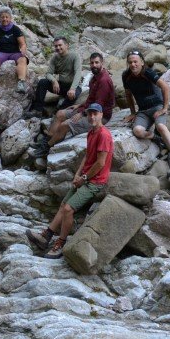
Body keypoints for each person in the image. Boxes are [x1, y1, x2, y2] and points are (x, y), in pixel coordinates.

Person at [27, 103, 112, 259]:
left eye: (95, 114)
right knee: (63, 205)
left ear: (101, 115)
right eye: (89, 114)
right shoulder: (91, 133)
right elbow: (87, 155)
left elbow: (100, 163)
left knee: (68, 209)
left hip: (96, 181)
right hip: (84, 178)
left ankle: (61, 242)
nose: (92, 117)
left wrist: (84, 178)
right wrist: (77, 174)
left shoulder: (103, 135)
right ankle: (46, 236)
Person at [39, 52, 115, 154]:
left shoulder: (104, 81)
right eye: (92, 63)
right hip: (88, 109)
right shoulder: (94, 78)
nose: (94, 65)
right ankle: (46, 140)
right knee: (60, 114)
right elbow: (92, 97)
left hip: (99, 116)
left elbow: (98, 105)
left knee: (66, 124)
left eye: (97, 62)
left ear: (102, 63)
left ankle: (46, 148)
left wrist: (82, 113)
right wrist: (80, 105)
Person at [123, 50, 170, 169]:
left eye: (135, 61)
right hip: (143, 111)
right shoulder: (126, 76)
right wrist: (132, 113)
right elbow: (128, 95)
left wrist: (164, 108)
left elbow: (165, 87)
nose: (133, 65)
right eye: (130, 62)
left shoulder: (148, 72)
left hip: (157, 106)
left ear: (141, 62)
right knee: (137, 131)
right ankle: (157, 139)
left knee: (161, 126)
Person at [27, 36, 82, 117]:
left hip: (73, 86)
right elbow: (48, 73)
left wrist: (73, 88)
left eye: (60, 45)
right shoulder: (54, 58)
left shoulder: (74, 56)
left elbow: (78, 73)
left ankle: (58, 113)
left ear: (66, 45)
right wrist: (54, 81)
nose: (58, 48)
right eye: (56, 46)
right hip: (61, 85)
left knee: (73, 96)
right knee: (42, 82)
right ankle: (37, 110)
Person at [0, 8, 28, 96]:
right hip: (1, 53)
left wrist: (23, 49)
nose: (4, 19)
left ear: (10, 18)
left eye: (7, 17)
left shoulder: (16, 29)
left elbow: (23, 44)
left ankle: (21, 83)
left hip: (15, 53)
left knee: (23, 59)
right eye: (2, 17)